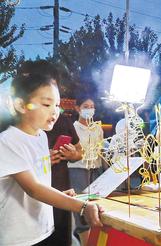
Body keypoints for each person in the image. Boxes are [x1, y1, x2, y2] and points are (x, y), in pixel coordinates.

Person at [0, 73, 103, 246]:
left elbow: (40, 183)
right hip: (19, 238)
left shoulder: (41, 136)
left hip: (43, 230)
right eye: (46, 104)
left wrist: (60, 195)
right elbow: (34, 189)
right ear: (20, 105)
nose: (55, 111)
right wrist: (82, 206)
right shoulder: (8, 140)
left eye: (57, 105)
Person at [18, 59, 83, 246]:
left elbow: (80, 152)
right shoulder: (10, 127)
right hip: (26, 208)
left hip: (61, 196)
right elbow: (30, 186)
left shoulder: (62, 120)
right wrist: (41, 158)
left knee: (61, 240)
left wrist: (73, 155)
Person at [68, 94, 104, 246]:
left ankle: (97, 237)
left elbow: (101, 150)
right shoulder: (74, 128)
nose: (90, 110)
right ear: (77, 108)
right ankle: (85, 241)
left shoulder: (98, 128)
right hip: (78, 170)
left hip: (95, 170)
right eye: (86, 107)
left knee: (96, 204)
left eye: (92, 107)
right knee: (80, 206)